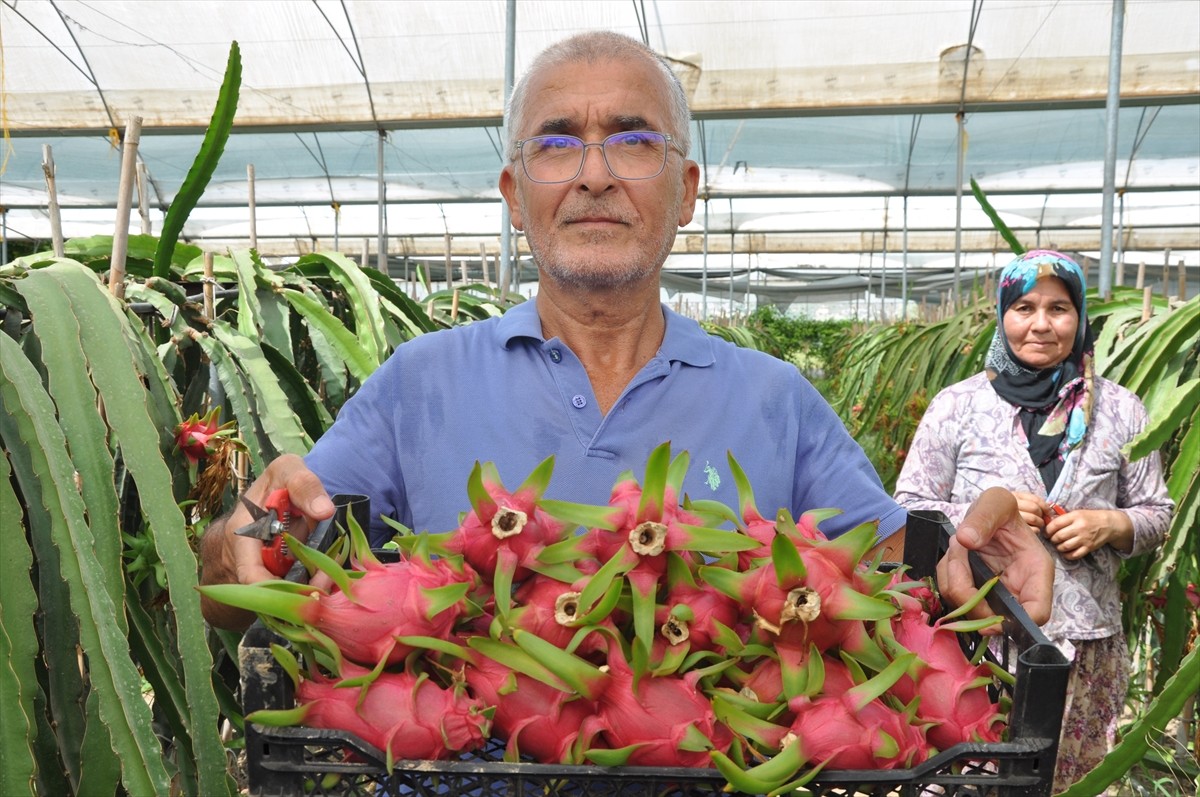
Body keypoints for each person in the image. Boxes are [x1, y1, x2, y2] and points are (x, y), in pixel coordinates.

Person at [200, 31, 1052, 645]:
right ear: (514, 193)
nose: (595, 174)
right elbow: (234, 588)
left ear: (686, 192)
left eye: (633, 141)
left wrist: (978, 558)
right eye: (557, 144)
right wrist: (239, 535)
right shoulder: (418, 382)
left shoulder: (775, 400)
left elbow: (905, 571)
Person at [893, 249, 1174, 791]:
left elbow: (1157, 513)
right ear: (1003, 315)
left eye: (1059, 309)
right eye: (1024, 308)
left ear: (1080, 316)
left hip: (1084, 650)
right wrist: (983, 514)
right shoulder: (958, 406)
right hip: (977, 639)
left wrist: (1110, 525)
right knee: (972, 776)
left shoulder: (1121, 411)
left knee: (1070, 780)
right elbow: (910, 507)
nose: (1041, 324)